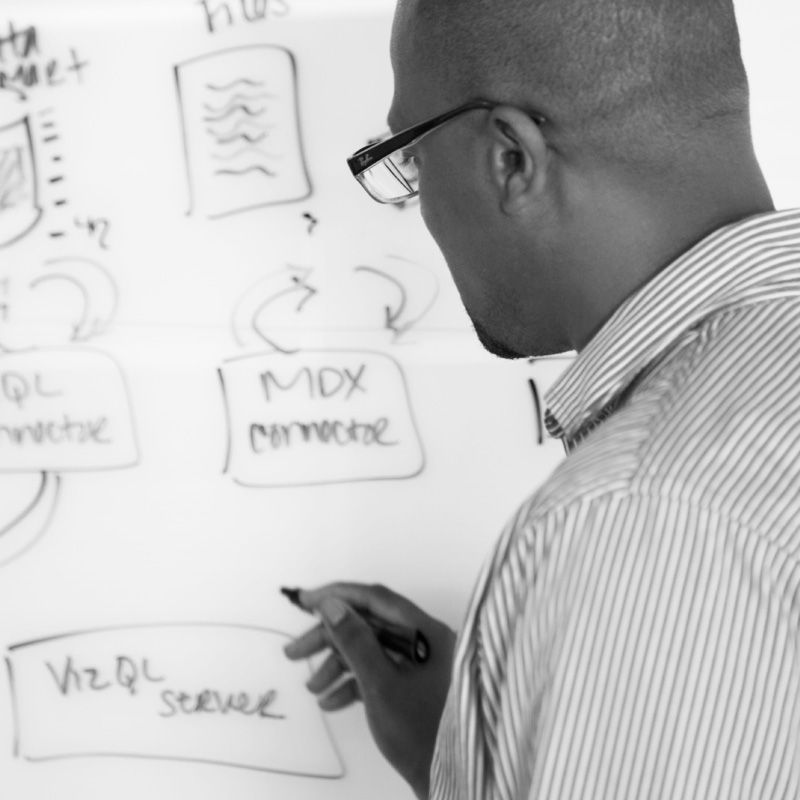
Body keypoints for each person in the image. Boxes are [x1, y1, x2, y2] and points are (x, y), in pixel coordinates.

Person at [285, 0, 800, 797]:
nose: (417, 203)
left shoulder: (632, 523)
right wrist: (505, 727)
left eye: (413, 160)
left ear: (510, 160)